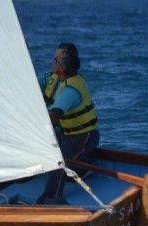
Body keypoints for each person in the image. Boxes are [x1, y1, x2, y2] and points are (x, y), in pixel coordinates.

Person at [36, 42, 100, 204]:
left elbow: (54, 115)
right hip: (65, 132)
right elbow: (30, 83)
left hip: (82, 137)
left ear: (62, 66)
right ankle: (81, 166)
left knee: (60, 163)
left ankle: (52, 199)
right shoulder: (53, 79)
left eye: (55, 60)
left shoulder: (71, 90)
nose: (52, 63)